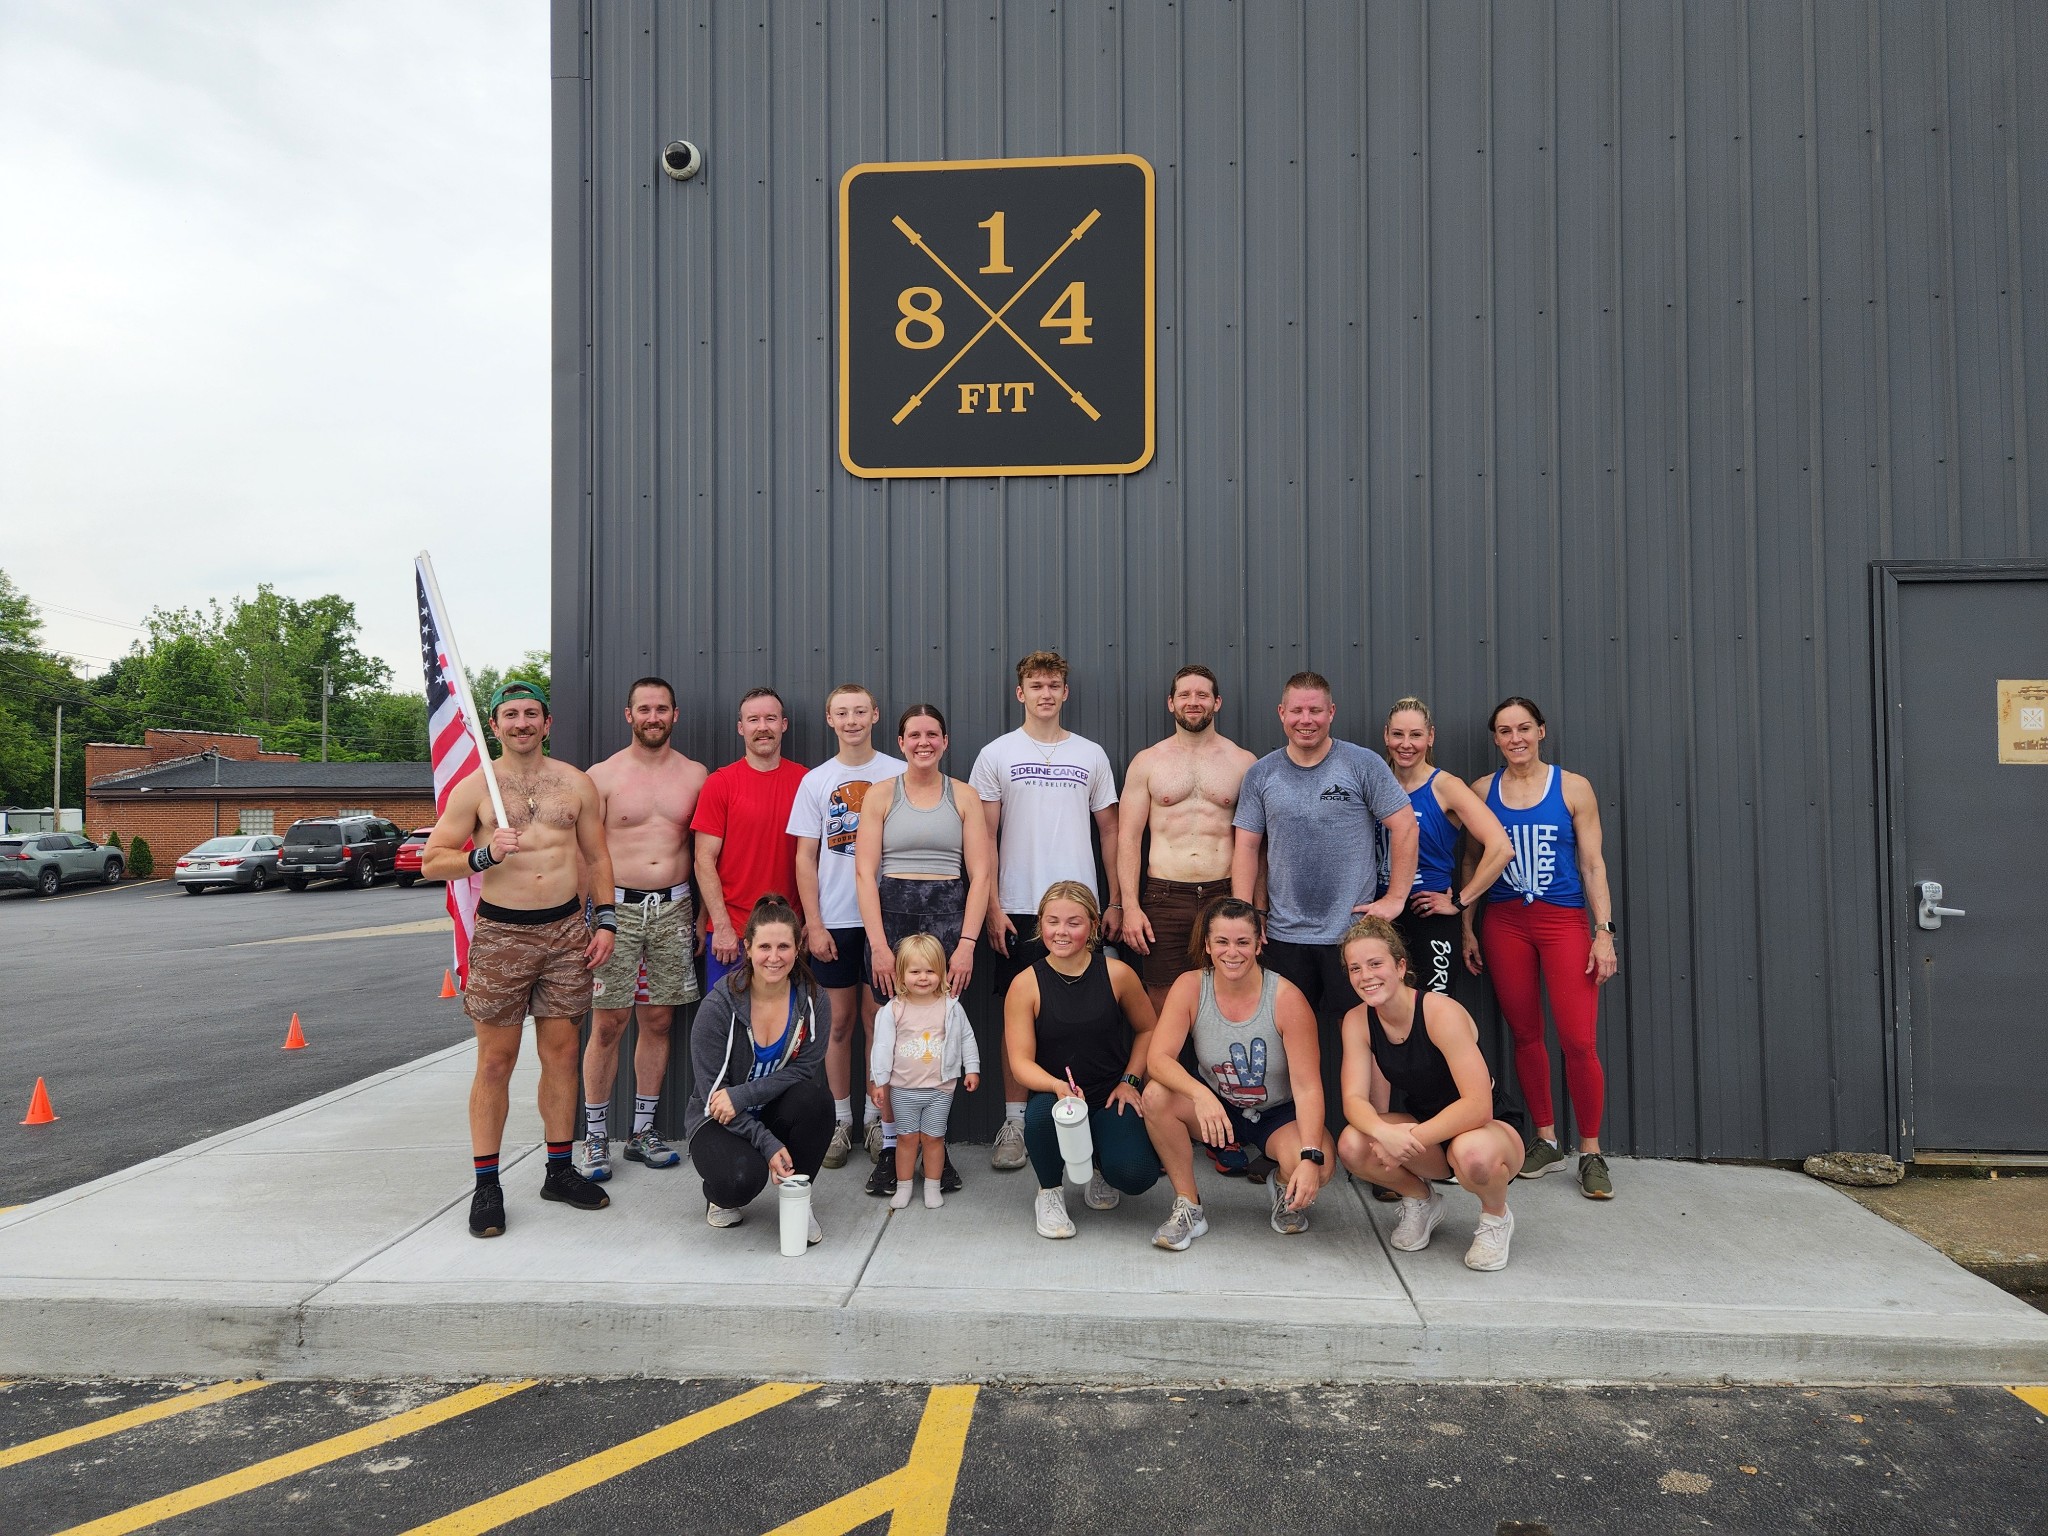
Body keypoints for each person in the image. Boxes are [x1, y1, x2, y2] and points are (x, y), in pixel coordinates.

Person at [419, 680, 617, 1239]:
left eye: (532, 714)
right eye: (511, 715)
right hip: (503, 934)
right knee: (496, 1061)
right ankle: (487, 1186)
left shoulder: (576, 783)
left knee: (561, 1054)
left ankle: (558, 1170)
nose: (522, 723)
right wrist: (482, 855)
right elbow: (432, 860)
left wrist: (606, 921)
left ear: (546, 723)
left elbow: (598, 856)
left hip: (564, 933)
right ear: (496, 724)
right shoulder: (476, 787)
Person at [1230, 672, 1418, 1108]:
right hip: (1283, 935)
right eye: (1296, 710)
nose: (1306, 719)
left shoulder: (1362, 764)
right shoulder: (1262, 774)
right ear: (1282, 714)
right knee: (1278, 1042)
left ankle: (1375, 1145)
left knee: (1369, 1040)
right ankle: (1286, 1135)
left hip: (1350, 935)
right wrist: (1245, 916)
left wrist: (1395, 900)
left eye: (1315, 710)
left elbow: (1405, 827)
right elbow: (1247, 847)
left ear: (1331, 713)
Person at [1462, 696, 1619, 1198]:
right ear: (1496, 739)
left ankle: (1591, 1152)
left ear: (1542, 731)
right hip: (1504, 922)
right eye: (1505, 731)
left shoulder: (1573, 787)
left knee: (1578, 1041)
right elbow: (1470, 863)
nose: (1516, 738)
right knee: (1525, 1035)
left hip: (1563, 921)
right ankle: (1547, 1139)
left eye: (1524, 728)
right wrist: (1467, 927)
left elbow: (1593, 864)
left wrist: (1604, 932)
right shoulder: (1483, 790)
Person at [971, 650, 1122, 1172]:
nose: (1045, 693)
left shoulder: (1091, 755)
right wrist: (990, 905)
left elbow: (1111, 832)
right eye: (1036, 685)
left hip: (1081, 911)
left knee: (1091, 1016)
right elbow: (983, 837)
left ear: (1066, 692)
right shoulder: (996, 754)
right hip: (1016, 907)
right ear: (1020, 693)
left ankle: (1093, 1117)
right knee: (1021, 1023)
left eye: (1054, 684)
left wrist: (1116, 901)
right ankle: (1016, 1120)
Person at [853, 703, 994, 1197]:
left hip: (948, 920)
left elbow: (981, 876)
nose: (923, 742)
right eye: (914, 734)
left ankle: (937, 1146)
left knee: (941, 1031)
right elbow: (864, 875)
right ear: (901, 742)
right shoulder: (879, 796)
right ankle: (894, 1148)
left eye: (932, 733)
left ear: (946, 741)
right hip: (892, 919)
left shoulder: (965, 796)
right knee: (894, 1035)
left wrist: (968, 944)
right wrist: (878, 946)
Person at [1140, 896, 1334, 1250]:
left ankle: (1284, 1181)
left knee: (1319, 1167)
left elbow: (1308, 1087)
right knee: (1155, 1095)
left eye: (1243, 941)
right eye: (1222, 942)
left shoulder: (1286, 998)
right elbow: (1159, 1059)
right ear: (1207, 946)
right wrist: (1201, 1095)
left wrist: (1309, 1155)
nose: (1233, 952)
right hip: (1216, 1107)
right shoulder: (1191, 985)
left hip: (1276, 1113)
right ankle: (1189, 1206)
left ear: (1260, 943)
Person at [1336, 917, 1529, 1271]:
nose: (1366, 976)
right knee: (1352, 1144)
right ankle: (1422, 1200)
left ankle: (1495, 1218)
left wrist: (1407, 1141)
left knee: (1471, 1154)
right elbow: (1353, 1100)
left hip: (1489, 1128)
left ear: (1400, 966)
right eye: (1355, 968)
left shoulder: (1441, 1012)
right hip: (1428, 1131)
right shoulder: (1357, 1021)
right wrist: (1383, 1133)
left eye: (1376, 964)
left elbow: (1477, 1105)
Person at [579, 676, 708, 1183]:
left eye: (662, 708)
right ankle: (593, 1137)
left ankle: (642, 1132)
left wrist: (702, 916)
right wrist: (593, 916)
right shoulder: (602, 777)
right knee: (607, 1023)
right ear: (628, 715)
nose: (653, 716)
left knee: (657, 1022)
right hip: (618, 911)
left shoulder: (696, 775)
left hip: (675, 908)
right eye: (644, 709)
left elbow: (705, 853)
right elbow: (588, 854)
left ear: (675, 714)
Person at [1002, 880, 1162, 1239]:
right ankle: (1049, 1192)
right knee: (1043, 1116)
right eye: (1053, 921)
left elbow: (1149, 1032)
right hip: (1057, 1098)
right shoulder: (1025, 985)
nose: (1061, 931)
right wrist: (1057, 1085)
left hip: (1108, 1095)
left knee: (1137, 1175)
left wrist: (1130, 1081)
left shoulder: (1118, 974)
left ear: (1091, 925)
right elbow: (1021, 1064)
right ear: (1040, 923)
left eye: (1073, 922)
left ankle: (1102, 1165)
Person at [788, 684, 905, 1171]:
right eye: (842, 712)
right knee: (837, 1024)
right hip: (834, 919)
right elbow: (804, 856)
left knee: (882, 1024)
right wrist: (813, 923)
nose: (852, 719)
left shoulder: (899, 773)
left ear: (875, 715)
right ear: (829, 719)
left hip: (887, 918)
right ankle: (840, 1120)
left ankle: (882, 1121)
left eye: (860, 710)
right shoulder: (817, 780)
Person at [682, 894, 833, 1237]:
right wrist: (766, 1143)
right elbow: (712, 1097)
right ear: (747, 947)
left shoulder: (813, 1000)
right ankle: (718, 1196)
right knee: (740, 1180)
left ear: (797, 949)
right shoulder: (719, 1004)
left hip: (765, 1106)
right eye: (765, 946)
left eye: (784, 946)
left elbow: (803, 1070)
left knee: (816, 1102)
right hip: (717, 1118)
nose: (774, 957)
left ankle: (797, 1198)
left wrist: (744, 1094)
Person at [1117, 665, 1256, 1012]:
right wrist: (1130, 906)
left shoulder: (1243, 762)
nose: (1193, 702)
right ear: (1171, 703)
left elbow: (1255, 845)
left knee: (1226, 995)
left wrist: (1250, 906)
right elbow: (1128, 840)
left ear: (1217, 702)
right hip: (1164, 896)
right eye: (1185, 695)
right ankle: (1167, 1068)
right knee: (1162, 999)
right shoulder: (1147, 762)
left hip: (1224, 893)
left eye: (1202, 695)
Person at [1379, 696, 1512, 1003]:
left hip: (1429, 914)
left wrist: (1459, 902)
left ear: (1431, 736)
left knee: (1435, 1013)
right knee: (1385, 1014)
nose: (1406, 744)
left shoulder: (1445, 786)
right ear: (1386, 735)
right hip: (1382, 913)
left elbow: (1500, 848)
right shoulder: (1376, 783)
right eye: (1398, 734)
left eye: (1416, 735)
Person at [692, 688, 808, 994]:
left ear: (783, 724)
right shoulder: (721, 783)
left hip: (788, 936)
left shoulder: (807, 783)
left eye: (771, 718)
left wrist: (811, 923)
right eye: (753, 719)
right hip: (732, 936)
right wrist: (722, 926)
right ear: (740, 727)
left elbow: (817, 860)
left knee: (785, 1029)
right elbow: (704, 859)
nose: (762, 727)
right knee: (726, 1028)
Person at [868, 934, 982, 1211]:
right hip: (904, 1088)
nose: (923, 978)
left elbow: (966, 1038)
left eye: (930, 971)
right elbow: (881, 1047)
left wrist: (972, 1068)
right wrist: (878, 1081)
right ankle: (905, 1186)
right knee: (906, 1138)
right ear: (901, 974)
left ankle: (932, 1185)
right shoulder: (893, 1010)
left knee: (934, 1138)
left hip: (940, 1088)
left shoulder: (950, 1008)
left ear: (942, 973)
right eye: (915, 971)